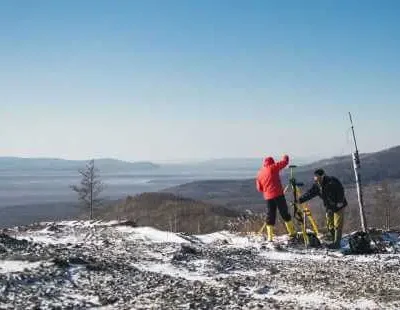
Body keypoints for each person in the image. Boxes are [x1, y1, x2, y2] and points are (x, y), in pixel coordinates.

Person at [297, 168, 347, 249]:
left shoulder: (332, 181)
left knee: (337, 225)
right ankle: (335, 239)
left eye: (317, 176)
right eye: (315, 177)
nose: (316, 178)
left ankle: (337, 243)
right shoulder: (317, 186)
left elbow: (340, 189)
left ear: (322, 176)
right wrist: (300, 200)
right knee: (330, 225)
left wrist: (340, 201)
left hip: (339, 206)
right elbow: (310, 193)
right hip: (329, 207)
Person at [256, 154, 296, 242]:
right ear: (272, 162)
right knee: (284, 213)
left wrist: (267, 190)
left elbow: (259, 188)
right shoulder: (272, 167)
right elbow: (284, 163)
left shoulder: (259, 173)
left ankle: (270, 237)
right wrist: (286, 157)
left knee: (270, 215)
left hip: (268, 197)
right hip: (278, 195)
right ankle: (292, 232)